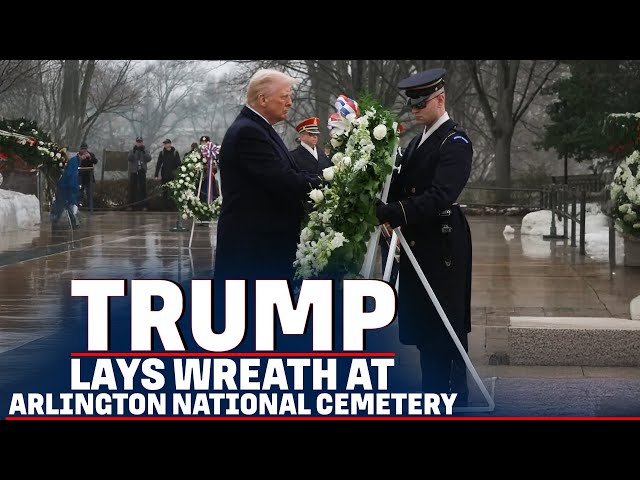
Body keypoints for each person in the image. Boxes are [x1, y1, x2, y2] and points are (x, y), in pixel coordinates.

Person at [375, 68, 473, 405]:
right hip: (419, 243)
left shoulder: (454, 141)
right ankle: (433, 393)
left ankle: (453, 395)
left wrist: (396, 211)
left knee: (445, 323)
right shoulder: (419, 140)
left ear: (440, 99)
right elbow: (403, 185)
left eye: (421, 102)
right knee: (425, 326)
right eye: (412, 104)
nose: (415, 109)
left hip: (442, 241)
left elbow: (440, 195)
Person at [213, 68, 322, 283]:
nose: (290, 102)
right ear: (263, 99)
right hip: (253, 248)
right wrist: (329, 183)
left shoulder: (260, 128)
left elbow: (292, 172)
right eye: (284, 96)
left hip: (262, 245)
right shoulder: (249, 132)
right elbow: (283, 180)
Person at [50, 149, 80, 229]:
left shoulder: (71, 161)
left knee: (61, 203)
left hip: (65, 186)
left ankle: (56, 219)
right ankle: (73, 221)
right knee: (68, 204)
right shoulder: (74, 161)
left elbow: (68, 174)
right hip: (69, 186)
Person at [154, 138, 181, 210]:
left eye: (166, 143)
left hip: (172, 176)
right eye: (164, 144)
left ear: (170, 144)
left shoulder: (175, 152)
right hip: (164, 175)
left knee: (172, 192)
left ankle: (172, 206)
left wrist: (176, 172)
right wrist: (156, 174)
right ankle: (165, 207)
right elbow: (159, 164)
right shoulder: (162, 153)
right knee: (165, 192)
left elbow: (179, 163)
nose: (165, 145)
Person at [127, 136, 151, 211]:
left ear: (142, 142)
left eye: (140, 142)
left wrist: (143, 152)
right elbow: (129, 158)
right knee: (132, 189)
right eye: (138, 142)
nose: (139, 143)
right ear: (136, 142)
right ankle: (131, 205)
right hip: (134, 171)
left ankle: (144, 205)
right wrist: (134, 151)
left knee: (142, 189)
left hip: (142, 171)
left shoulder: (145, 150)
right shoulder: (132, 150)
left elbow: (149, 158)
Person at [77, 141, 98, 213]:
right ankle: (77, 206)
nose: (84, 150)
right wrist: (81, 159)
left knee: (89, 192)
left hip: (89, 176)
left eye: (85, 149)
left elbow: (95, 161)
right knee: (79, 192)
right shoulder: (78, 155)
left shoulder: (90, 154)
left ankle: (90, 207)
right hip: (80, 176)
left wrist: (90, 158)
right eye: (82, 149)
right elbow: (75, 163)